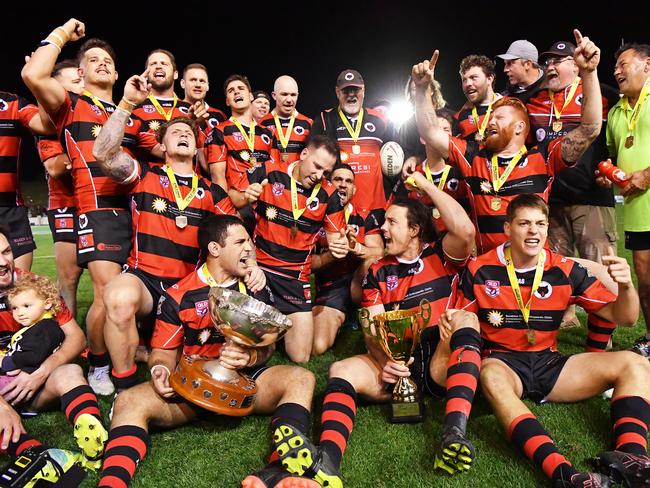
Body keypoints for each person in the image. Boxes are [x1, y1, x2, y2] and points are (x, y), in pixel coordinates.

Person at [271, 180, 480, 486]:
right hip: (397, 368)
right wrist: (386, 360)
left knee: (465, 322)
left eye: (392, 222)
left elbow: (465, 230)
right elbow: (371, 328)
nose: (382, 228)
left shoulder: (442, 255)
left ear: (415, 230)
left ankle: (454, 432)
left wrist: (424, 186)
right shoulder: (378, 271)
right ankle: (328, 459)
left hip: (440, 358)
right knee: (341, 368)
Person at [97, 215, 318, 488]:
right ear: (215, 249)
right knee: (128, 402)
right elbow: (163, 352)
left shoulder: (254, 286)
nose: (249, 248)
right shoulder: (178, 295)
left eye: (249, 240)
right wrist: (160, 370)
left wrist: (250, 357)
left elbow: (268, 346)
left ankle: (282, 467)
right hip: (191, 389)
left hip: (245, 385)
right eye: (240, 242)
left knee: (301, 378)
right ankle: (112, 482)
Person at [456, 194, 650, 488]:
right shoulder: (479, 269)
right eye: (524, 223)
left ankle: (632, 458)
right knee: (490, 374)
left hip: (550, 363)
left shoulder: (565, 269)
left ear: (547, 228)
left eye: (540, 224)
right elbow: (463, 325)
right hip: (505, 363)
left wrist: (626, 286)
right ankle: (563, 472)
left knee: (635, 363)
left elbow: (625, 318)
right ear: (508, 228)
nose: (533, 231)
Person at [21, 19, 160, 395]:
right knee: (106, 292)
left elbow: (162, 150)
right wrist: (65, 32)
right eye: (93, 60)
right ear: (79, 73)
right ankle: (100, 363)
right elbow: (33, 73)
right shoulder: (71, 104)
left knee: (126, 294)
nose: (101, 64)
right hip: (98, 212)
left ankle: (124, 353)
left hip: (137, 213)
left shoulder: (130, 113)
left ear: (116, 71)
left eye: (107, 61)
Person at [92, 69, 239, 393]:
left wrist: (251, 265)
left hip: (189, 285)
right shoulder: (143, 176)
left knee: (190, 364)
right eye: (175, 132)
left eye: (189, 131)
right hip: (145, 278)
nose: (184, 134)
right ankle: (125, 386)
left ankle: (151, 353)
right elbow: (102, 153)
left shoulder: (211, 192)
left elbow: (238, 234)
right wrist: (127, 103)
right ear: (161, 144)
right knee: (116, 298)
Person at [411, 30, 604, 255]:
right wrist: (423, 89)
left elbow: (589, 129)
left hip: (536, 273)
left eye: (500, 117)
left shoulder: (542, 158)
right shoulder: (473, 156)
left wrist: (589, 73)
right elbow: (430, 131)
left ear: (520, 127)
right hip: (489, 273)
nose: (491, 121)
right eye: (491, 117)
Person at [527, 40, 620, 340]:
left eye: (558, 61)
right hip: (551, 199)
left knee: (600, 268)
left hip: (592, 196)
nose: (551, 67)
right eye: (548, 62)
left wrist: (616, 165)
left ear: (575, 65)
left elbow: (619, 132)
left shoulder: (602, 93)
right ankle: (561, 323)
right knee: (556, 267)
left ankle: (602, 334)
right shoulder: (535, 99)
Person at [0, 225, 108, 478]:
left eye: (6, 252)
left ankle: (93, 433)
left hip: (34, 384)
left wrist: (43, 371)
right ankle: (34, 456)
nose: (3, 262)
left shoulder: (33, 284)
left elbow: (76, 337)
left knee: (69, 370)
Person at [229, 135, 350, 362]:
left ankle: (274, 330)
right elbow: (231, 198)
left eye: (325, 172)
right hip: (259, 271)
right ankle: (268, 337)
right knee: (257, 347)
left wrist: (340, 245)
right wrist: (246, 196)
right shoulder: (269, 171)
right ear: (303, 154)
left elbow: (336, 238)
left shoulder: (330, 195)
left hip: (295, 278)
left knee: (301, 357)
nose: (319, 176)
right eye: (316, 166)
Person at [312, 69, 394, 246]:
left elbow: (396, 151)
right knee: (340, 257)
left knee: (375, 259)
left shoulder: (380, 119)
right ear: (337, 92)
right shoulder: (324, 119)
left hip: (375, 205)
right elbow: (313, 162)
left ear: (363, 91)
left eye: (355, 90)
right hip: (338, 205)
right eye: (346, 91)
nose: (351, 95)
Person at [605, 43, 650, 357]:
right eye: (615, 66)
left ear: (647, 65)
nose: (617, 71)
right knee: (645, 282)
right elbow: (611, 155)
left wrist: (646, 174)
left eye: (624, 64)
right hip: (637, 210)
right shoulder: (615, 112)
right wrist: (609, 174)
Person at [311, 163, 379, 355]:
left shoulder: (365, 217)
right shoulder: (314, 217)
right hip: (331, 285)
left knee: (371, 262)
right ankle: (344, 315)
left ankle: (360, 308)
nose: (343, 185)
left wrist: (354, 247)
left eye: (348, 181)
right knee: (318, 345)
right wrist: (334, 253)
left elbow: (379, 251)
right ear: (329, 185)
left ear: (354, 189)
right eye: (337, 180)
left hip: (361, 281)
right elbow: (309, 264)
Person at [37, 59, 84, 315]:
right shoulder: (50, 128)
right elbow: (55, 168)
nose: (83, 87)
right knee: (69, 278)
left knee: (107, 275)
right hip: (66, 205)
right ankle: (67, 334)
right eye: (76, 82)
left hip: (99, 204)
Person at [0, 84, 54, 271]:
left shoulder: (13, 103)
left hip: (10, 208)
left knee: (20, 285)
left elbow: (45, 125)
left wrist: (37, 84)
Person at [205, 75, 275, 190]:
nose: (236, 92)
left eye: (241, 88)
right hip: (239, 203)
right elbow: (218, 179)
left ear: (251, 96)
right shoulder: (219, 131)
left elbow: (274, 170)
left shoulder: (268, 133)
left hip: (266, 202)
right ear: (227, 101)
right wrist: (228, 207)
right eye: (231, 91)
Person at [1, 275, 66, 387]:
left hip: (17, 380)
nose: (20, 313)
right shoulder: (36, 326)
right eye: (15, 308)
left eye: (26, 306)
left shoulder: (46, 328)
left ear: (47, 303)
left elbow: (34, 356)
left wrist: (5, 362)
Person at [259, 75, 313, 164]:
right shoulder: (261, 123)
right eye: (284, 94)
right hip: (271, 177)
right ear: (274, 95)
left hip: (296, 177)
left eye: (293, 95)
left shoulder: (309, 124)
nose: (289, 99)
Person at [453, 55, 502, 142]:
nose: (468, 84)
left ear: (489, 79)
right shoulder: (461, 116)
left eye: (473, 78)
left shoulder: (509, 106)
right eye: (464, 80)